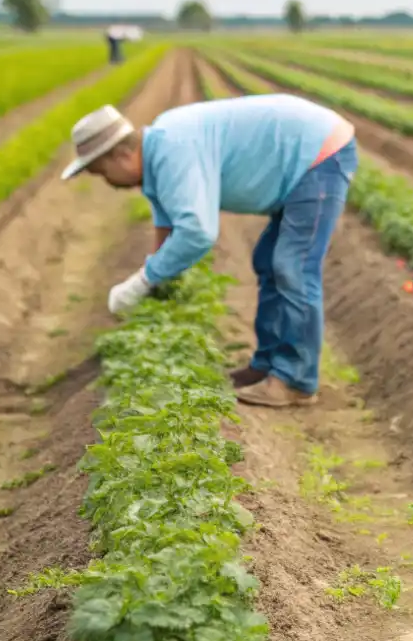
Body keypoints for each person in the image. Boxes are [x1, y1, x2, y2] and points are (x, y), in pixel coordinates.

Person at [63, 94, 360, 407]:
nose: (106, 182)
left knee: (293, 266)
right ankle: (267, 365)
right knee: (268, 261)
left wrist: (143, 281)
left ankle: (296, 380)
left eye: (102, 173)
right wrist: (155, 278)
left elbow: (197, 231)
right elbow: (169, 225)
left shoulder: (172, 149)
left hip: (317, 155)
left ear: (120, 156)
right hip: (301, 155)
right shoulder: (160, 151)